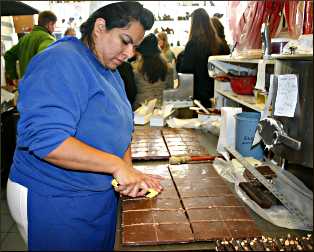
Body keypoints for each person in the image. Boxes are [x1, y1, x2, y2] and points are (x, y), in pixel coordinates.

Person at [6, 2, 162, 251]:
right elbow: (47, 140)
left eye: (135, 46)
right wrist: (117, 166)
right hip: (55, 198)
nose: (130, 53)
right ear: (100, 27)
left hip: (95, 195)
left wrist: (129, 175)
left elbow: (122, 129)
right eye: (125, 40)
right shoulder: (60, 62)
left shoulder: (109, 70)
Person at [176, 8, 226, 108]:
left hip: (199, 96)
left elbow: (186, 71)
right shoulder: (219, 44)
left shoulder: (193, 44)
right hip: (217, 92)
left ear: (193, 24)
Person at [4, 11, 57, 86]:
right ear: (50, 24)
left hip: (25, 86)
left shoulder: (24, 39)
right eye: (55, 25)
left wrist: (13, 77)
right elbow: (45, 56)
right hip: (40, 88)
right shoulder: (48, 39)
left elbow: (8, 55)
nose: (55, 28)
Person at [132, 33, 174, 109]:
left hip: (141, 109)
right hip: (162, 109)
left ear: (142, 54)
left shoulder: (136, 71)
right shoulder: (169, 69)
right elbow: (170, 90)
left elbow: (133, 92)